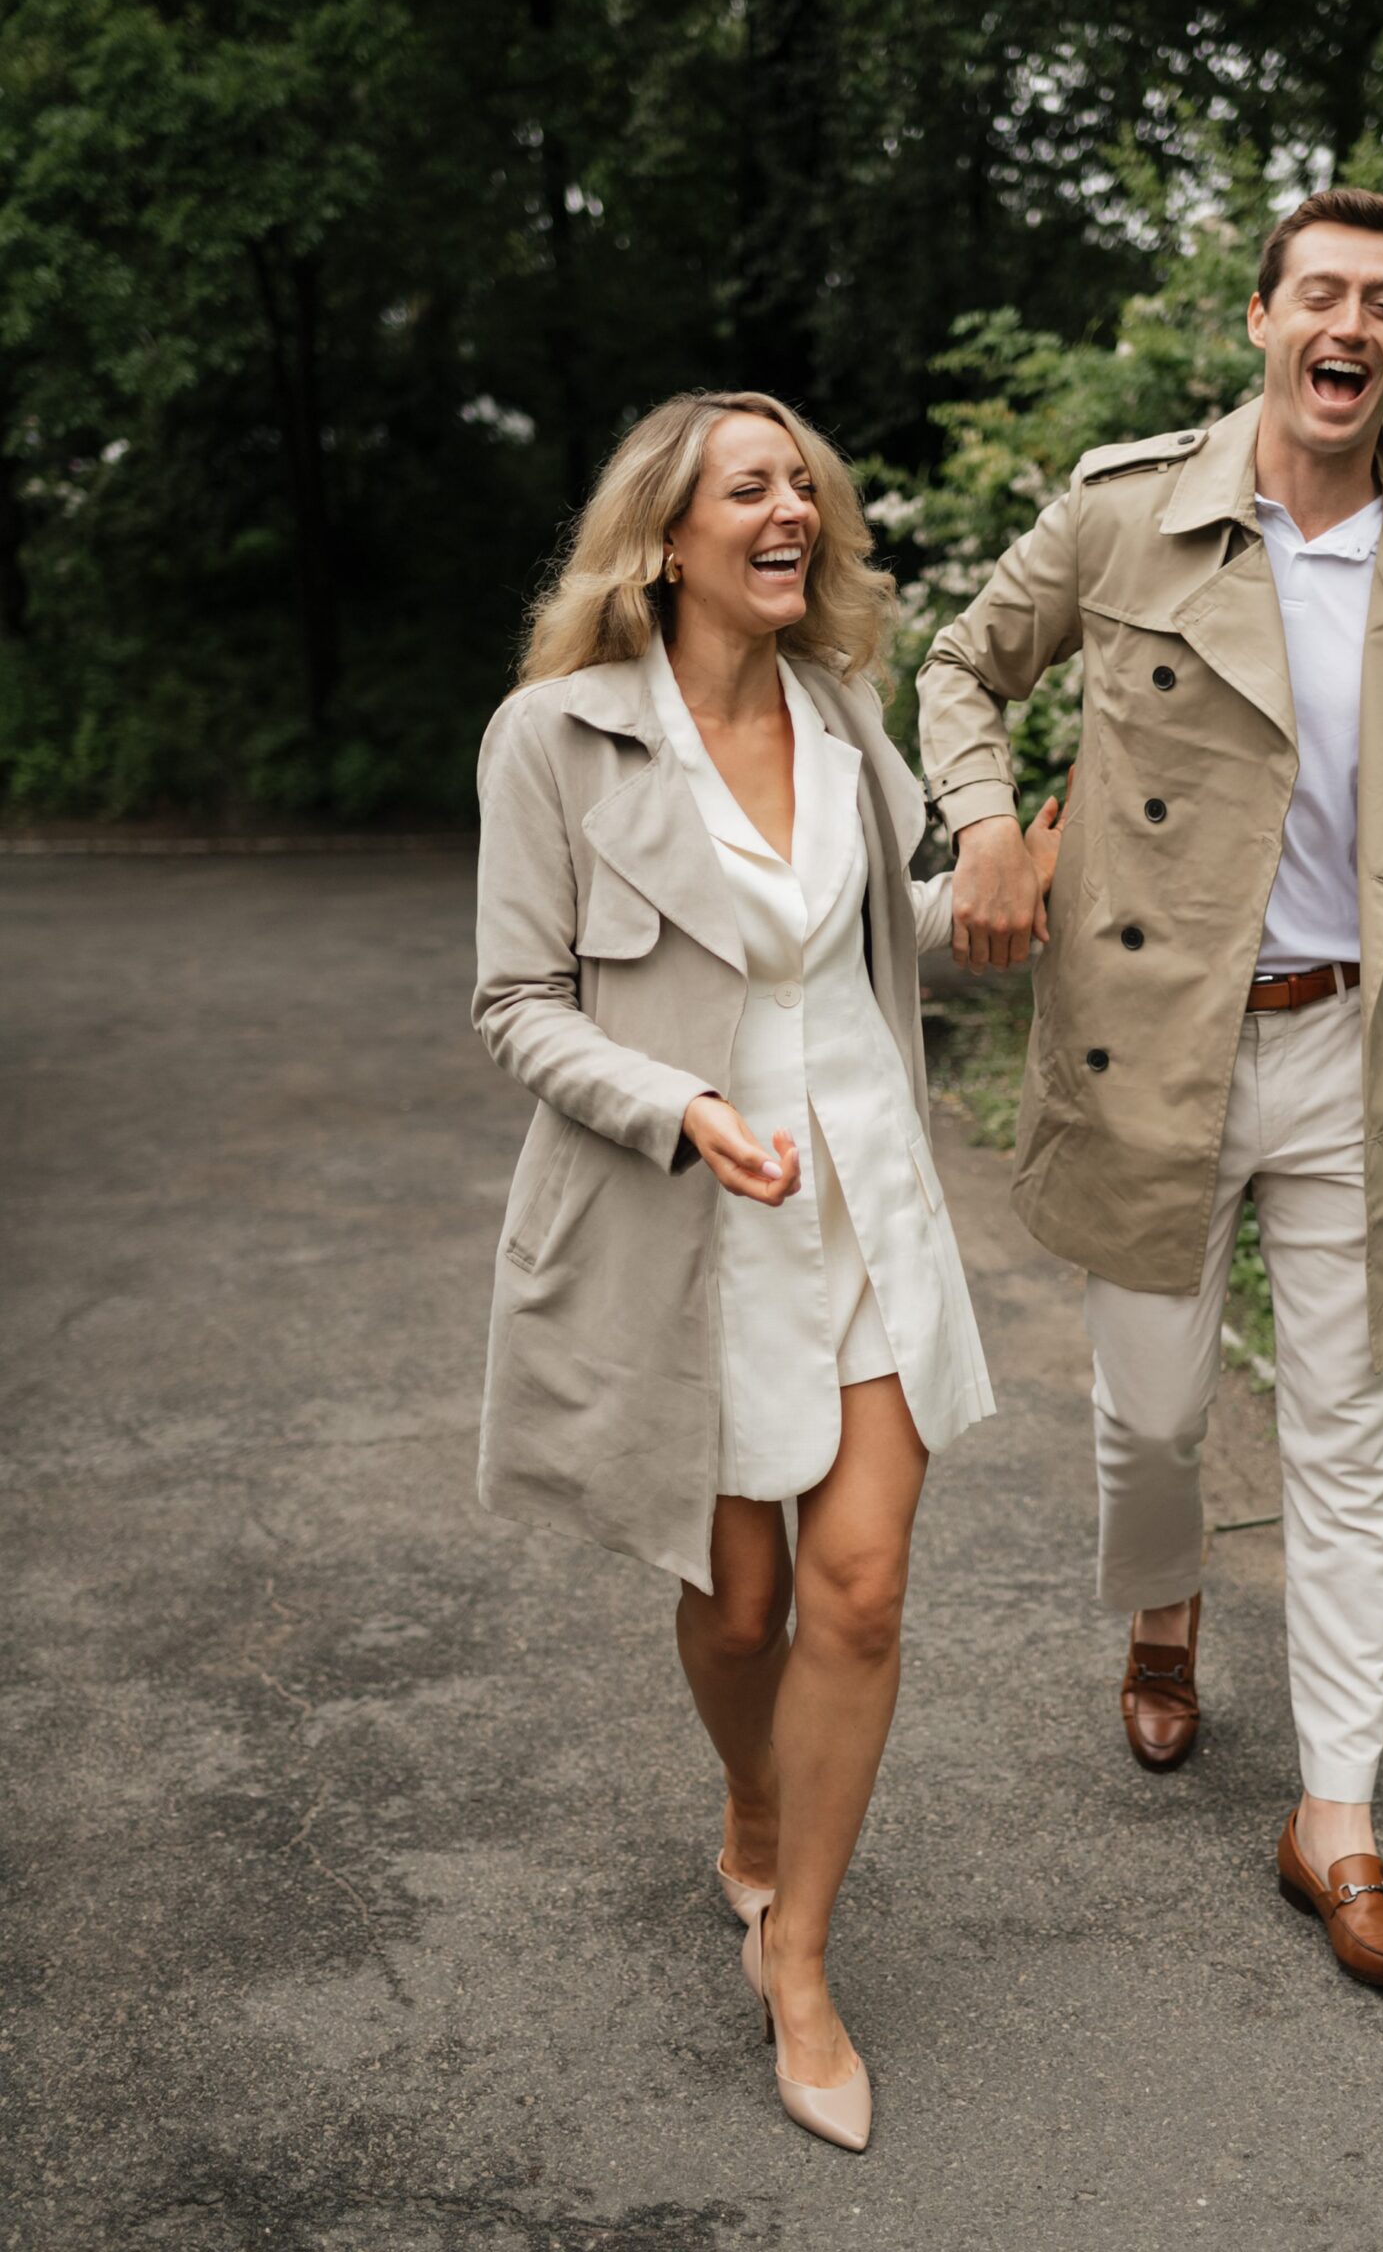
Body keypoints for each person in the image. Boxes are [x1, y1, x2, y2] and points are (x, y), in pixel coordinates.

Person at [917, 187, 1383, 1993]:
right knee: (1156, 1422)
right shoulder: (1130, 510)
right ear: (1263, 320)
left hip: (1367, 1051)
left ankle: (1337, 1821)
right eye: (1320, 294)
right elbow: (962, 664)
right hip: (1155, 1045)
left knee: (1352, 1443)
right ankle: (1163, 1605)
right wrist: (985, 825)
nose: (1351, 326)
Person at [472, 390, 1056, 2147]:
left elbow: (896, 934)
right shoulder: (555, 738)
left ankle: (797, 1954)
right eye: (752, 487)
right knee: (742, 1608)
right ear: (668, 537)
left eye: (804, 484)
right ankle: (750, 1799)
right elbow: (517, 1006)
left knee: (857, 1593)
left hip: (867, 1199)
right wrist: (679, 1107)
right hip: (697, 1221)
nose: (793, 507)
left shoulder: (843, 714)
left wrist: (1015, 875)